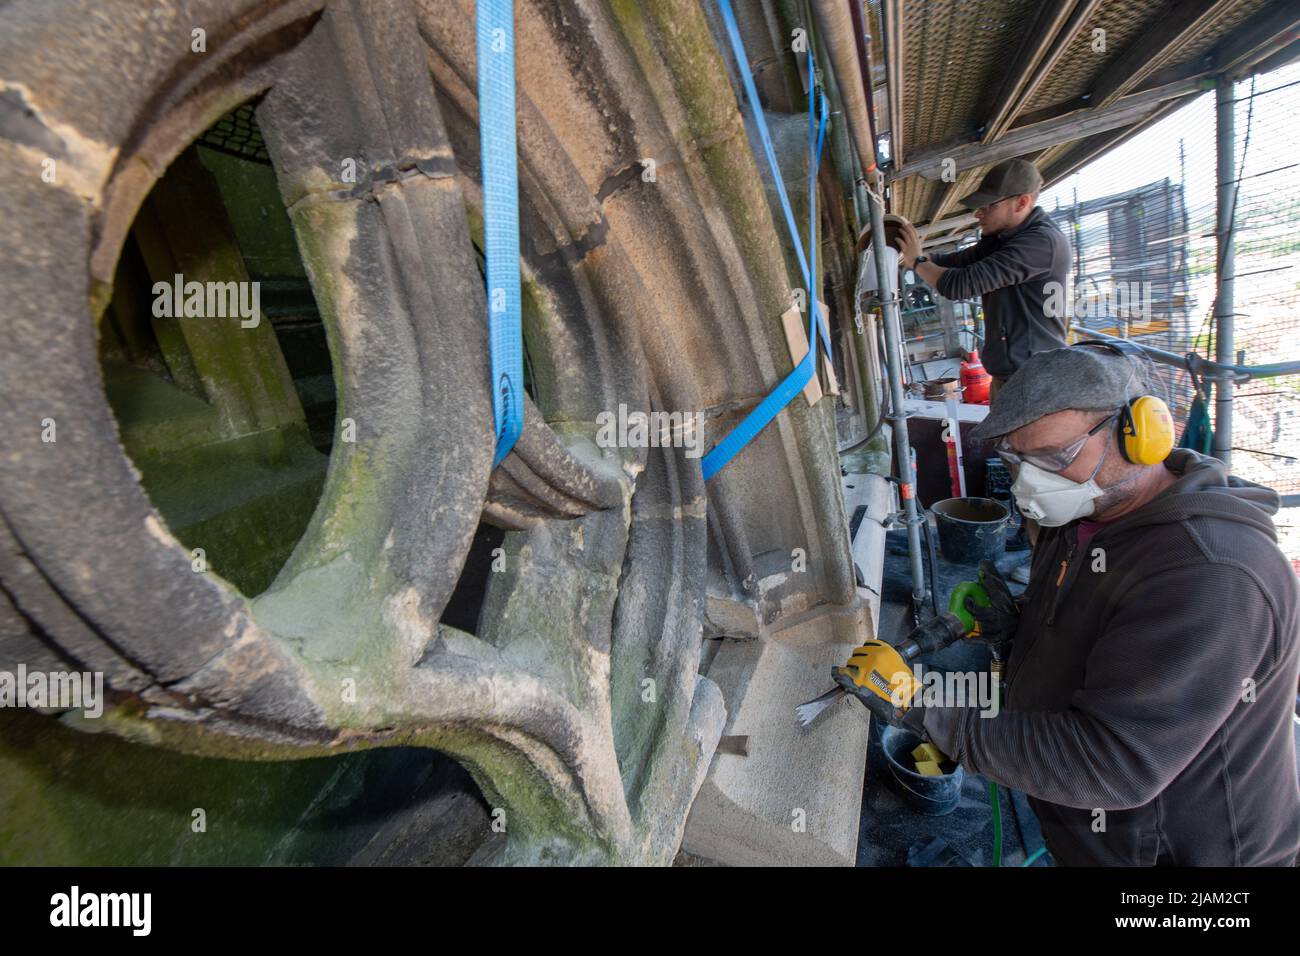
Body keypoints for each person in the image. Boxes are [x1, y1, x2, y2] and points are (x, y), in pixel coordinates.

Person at [870, 344, 1300, 865]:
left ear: (1142, 438)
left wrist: (920, 709)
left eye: (1054, 458)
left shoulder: (1212, 574)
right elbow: (1104, 629)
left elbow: (1110, 764)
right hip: (1094, 836)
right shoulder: (1082, 513)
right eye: (1016, 457)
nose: (1030, 483)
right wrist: (1020, 622)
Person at [896, 158, 1071, 400]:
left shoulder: (1041, 242)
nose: (978, 214)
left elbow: (959, 285)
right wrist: (917, 255)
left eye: (988, 206)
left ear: (1021, 202)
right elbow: (958, 261)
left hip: (1035, 380)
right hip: (1012, 376)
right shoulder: (1003, 238)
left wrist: (917, 261)